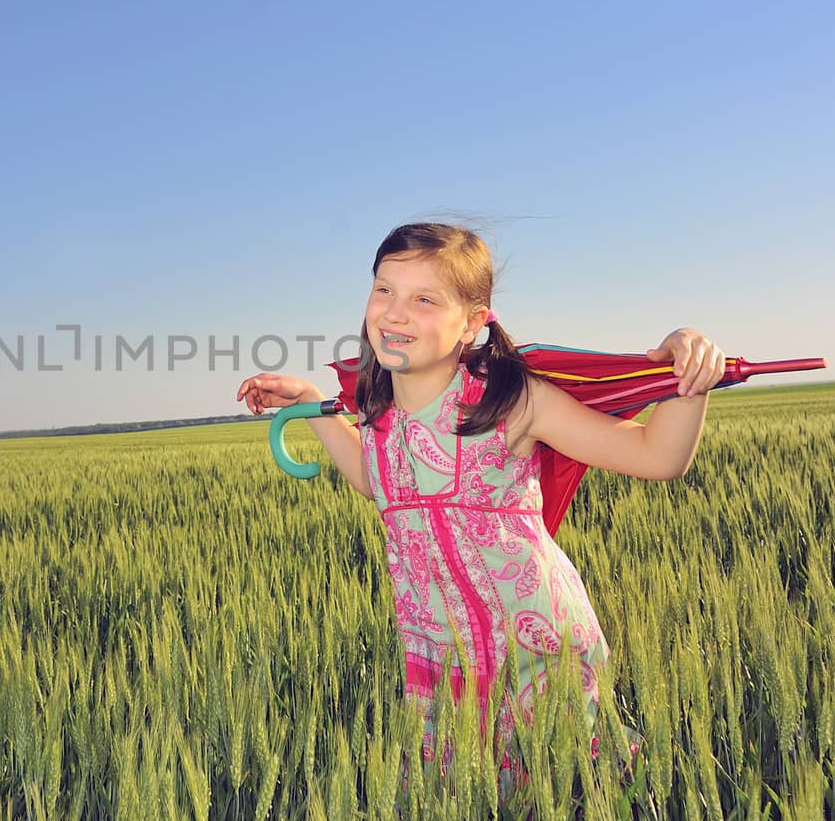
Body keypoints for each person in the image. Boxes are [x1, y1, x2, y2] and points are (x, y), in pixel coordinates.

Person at [235, 221, 725, 777]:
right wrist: (310, 401)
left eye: (424, 298)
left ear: (472, 323)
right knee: (461, 789)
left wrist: (689, 373)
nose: (394, 313)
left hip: (536, 647)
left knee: (568, 782)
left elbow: (658, 458)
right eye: (384, 289)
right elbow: (380, 484)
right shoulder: (375, 412)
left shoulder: (509, 400)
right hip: (439, 658)